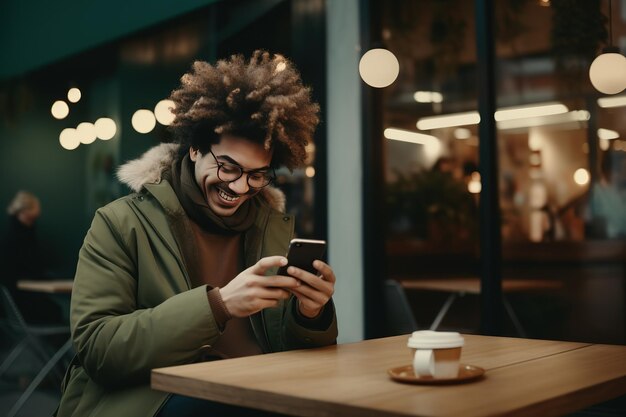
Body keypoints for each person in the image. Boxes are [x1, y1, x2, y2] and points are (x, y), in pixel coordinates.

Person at [56, 51, 338, 417]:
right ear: (194, 148)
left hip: (256, 388)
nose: (239, 187)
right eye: (227, 167)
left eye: (257, 175)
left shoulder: (271, 227)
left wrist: (310, 314)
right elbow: (99, 350)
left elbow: (289, 349)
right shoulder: (120, 223)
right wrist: (218, 307)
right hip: (151, 397)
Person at [1, 191, 63, 324]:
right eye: (36, 207)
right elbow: (28, 267)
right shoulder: (17, 237)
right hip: (23, 301)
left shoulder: (21, 232)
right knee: (56, 312)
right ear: (24, 210)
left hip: (19, 303)